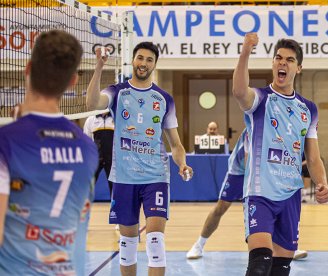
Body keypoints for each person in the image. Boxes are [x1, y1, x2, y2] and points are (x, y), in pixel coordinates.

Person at [86, 42, 193, 276]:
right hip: (124, 178)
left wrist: (182, 163)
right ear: (133, 60)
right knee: (128, 245)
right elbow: (92, 103)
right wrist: (98, 67)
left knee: (155, 241)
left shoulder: (164, 99)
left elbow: (176, 144)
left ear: (155, 64)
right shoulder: (117, 92)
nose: (143, 63)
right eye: (140, 58)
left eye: (149, 60)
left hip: (156, 176)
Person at [0, 30, 98, 275]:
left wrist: (18, 130)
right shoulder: (87, 148)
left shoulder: (7, 142)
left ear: (27, 68)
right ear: (73, 80)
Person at [232, 33, 328, 276]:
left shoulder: (308, 109)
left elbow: (314, 157)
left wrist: (322, 183)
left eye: (289, 59)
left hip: (290, 196)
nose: (282, 63)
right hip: (260, 192)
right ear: (273, 64)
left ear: (299, 68)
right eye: (278, 58)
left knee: (280, 268)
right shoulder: (261, 99)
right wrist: (245, 52)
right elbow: (239, 91)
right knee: (259, 264)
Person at [187, 129, 308, 261]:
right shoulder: (256, 126)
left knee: (274, 206)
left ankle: (287, 247)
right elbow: (248, 161)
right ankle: (199, 244)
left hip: (265, 172)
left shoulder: (282, 129)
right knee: (221, 208)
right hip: (239, 171)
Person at [83, 111, 114, 197]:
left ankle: (115, 209)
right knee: (88, 185)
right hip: (96, 158)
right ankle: (82, 208)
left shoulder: (116, 118)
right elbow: (86, 141)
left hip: (112, 159)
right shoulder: (90, 120)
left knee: (114, 188)